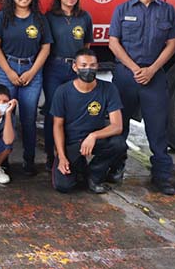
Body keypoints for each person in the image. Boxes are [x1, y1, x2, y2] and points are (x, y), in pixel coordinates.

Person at [108, 0, 175, 195]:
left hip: (154, 76)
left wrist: (152, 69)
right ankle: (115, 167)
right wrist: (134, 68)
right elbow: (113, 43)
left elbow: (172, 43)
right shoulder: (122, 9)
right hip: (125, 75)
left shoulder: (168, 11)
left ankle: (161, 176)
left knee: (158, 127)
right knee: (119, 127)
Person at [0, 0, 52, 175]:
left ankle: (29, 160)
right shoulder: (4, 17)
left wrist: (32, 72)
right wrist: (8, 71)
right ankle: (2, 160)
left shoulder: (40, 19)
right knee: (4, 115)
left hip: (32, 70)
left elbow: (46, 47)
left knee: (28, 117)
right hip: (6, 68)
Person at [51, 48, 126, 194]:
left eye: (92, 65)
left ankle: (95, 176)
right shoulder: (62, 91)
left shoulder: (108, 89)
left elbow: (117, 126)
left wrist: (93, 136)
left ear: (97, 66)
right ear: (75, 67)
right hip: (72, 143)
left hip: (95, 141)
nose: (88, 69)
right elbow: (57, 126)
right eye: (83, 65)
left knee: (118, 144)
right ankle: (80, 170)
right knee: (64, 186)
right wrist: (61, 156)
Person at [42, 0, 93, 170]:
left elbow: (87, 45)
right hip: (55, 67)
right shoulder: (49, 17)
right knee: (53, 111)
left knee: (75, 111)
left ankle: (73, 153)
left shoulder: (84, 17)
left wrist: (80, 65)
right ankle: (50, 154)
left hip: (76, 69)